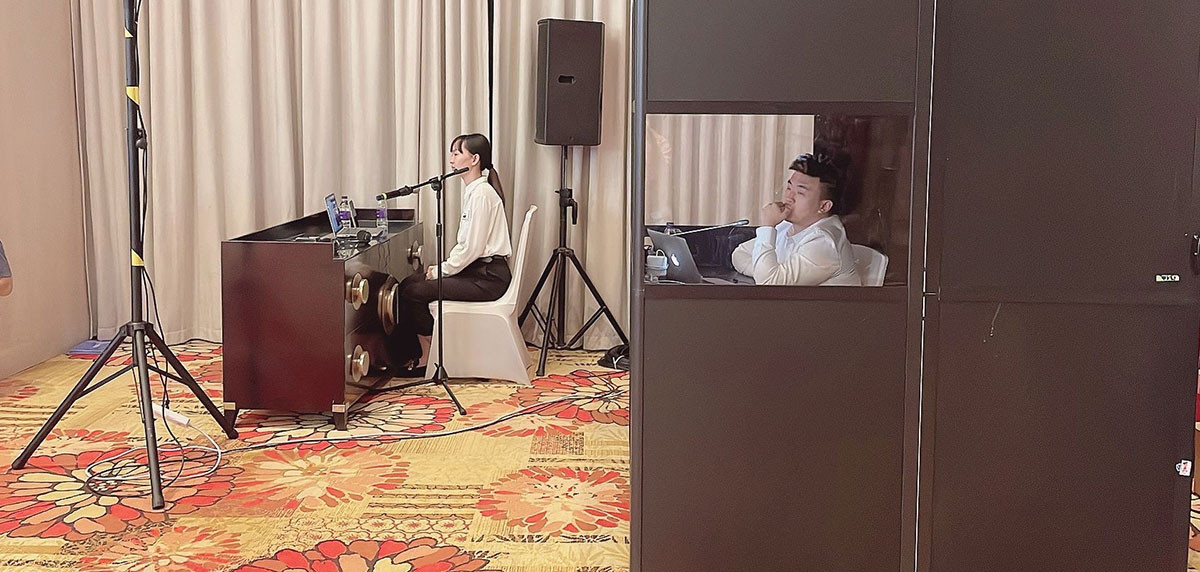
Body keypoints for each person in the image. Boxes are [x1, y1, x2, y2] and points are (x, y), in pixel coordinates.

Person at [393, 133, 513, 376]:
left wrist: (441, 270)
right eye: (452, 153)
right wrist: (442, 269)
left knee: (412, 292)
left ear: (474, 159)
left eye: (457, 153)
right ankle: (420, 352)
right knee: (408, 284)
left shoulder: (482, 195)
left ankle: (427, 357)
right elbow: (467, 247)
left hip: (488, 278)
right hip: (478, 271)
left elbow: (472, 249)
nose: (451, 159)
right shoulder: (475, 192)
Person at [731, 151, 861, 286]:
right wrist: (763, 272)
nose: (789, 197)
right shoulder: (788, 225)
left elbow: (768, 283)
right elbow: (740, 254)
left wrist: (768, 227)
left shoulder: (824, 242)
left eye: (800, 192)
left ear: (824, 206)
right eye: (789, 188)